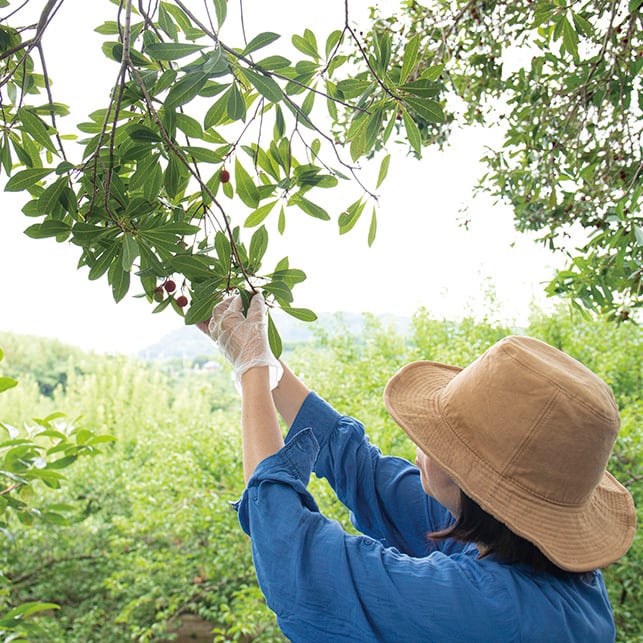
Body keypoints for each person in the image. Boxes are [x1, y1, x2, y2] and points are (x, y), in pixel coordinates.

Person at [199, 293, 636, 642]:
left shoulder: (492, 613)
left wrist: (252, 371)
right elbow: (364, 472)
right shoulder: (528, 553)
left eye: (441, 439)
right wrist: (258, 356)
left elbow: (294, 556)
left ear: (476, 488)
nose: (419, 442)